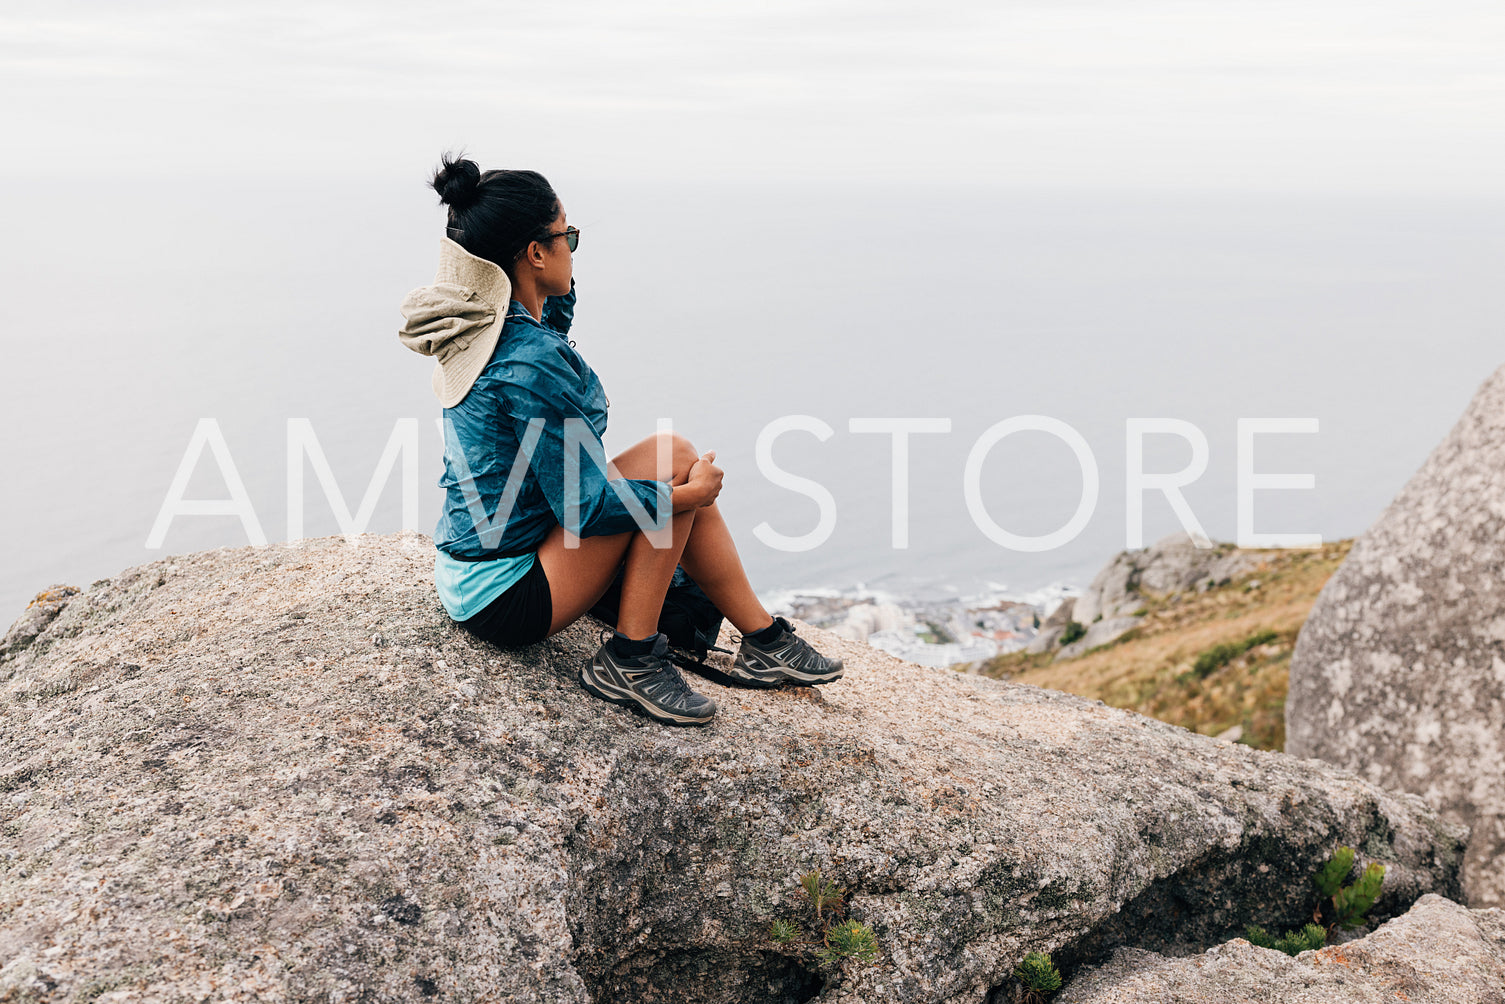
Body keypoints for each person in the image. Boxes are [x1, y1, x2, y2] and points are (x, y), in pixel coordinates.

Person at [398, 155, 844, 728]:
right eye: (568, 237)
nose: (573, 249)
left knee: (674, 451)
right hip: (508, 597)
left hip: (471, 566)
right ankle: (630, 660)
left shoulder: (489, 327)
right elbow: (583, 509)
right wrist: (690, 498)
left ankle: (761, 638)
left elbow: (544, 325)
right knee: (680, 484)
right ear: (535, 253)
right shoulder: (531, 361)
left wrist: (544, 276)